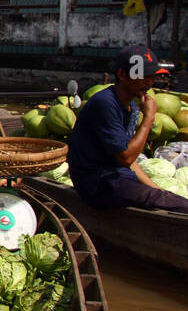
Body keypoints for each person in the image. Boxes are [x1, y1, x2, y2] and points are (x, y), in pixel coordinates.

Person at [67, 46, 188, 214]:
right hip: (97, 184)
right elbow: (125, 157)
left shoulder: (132, 106)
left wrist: (156, 188)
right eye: (142, 76)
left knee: (161, 196)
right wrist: (148, 119)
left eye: (152, 76)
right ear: (122, 75)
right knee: (172, 203)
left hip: (118, 178)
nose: (149, 82)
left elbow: (129, 162)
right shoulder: (105, 103)